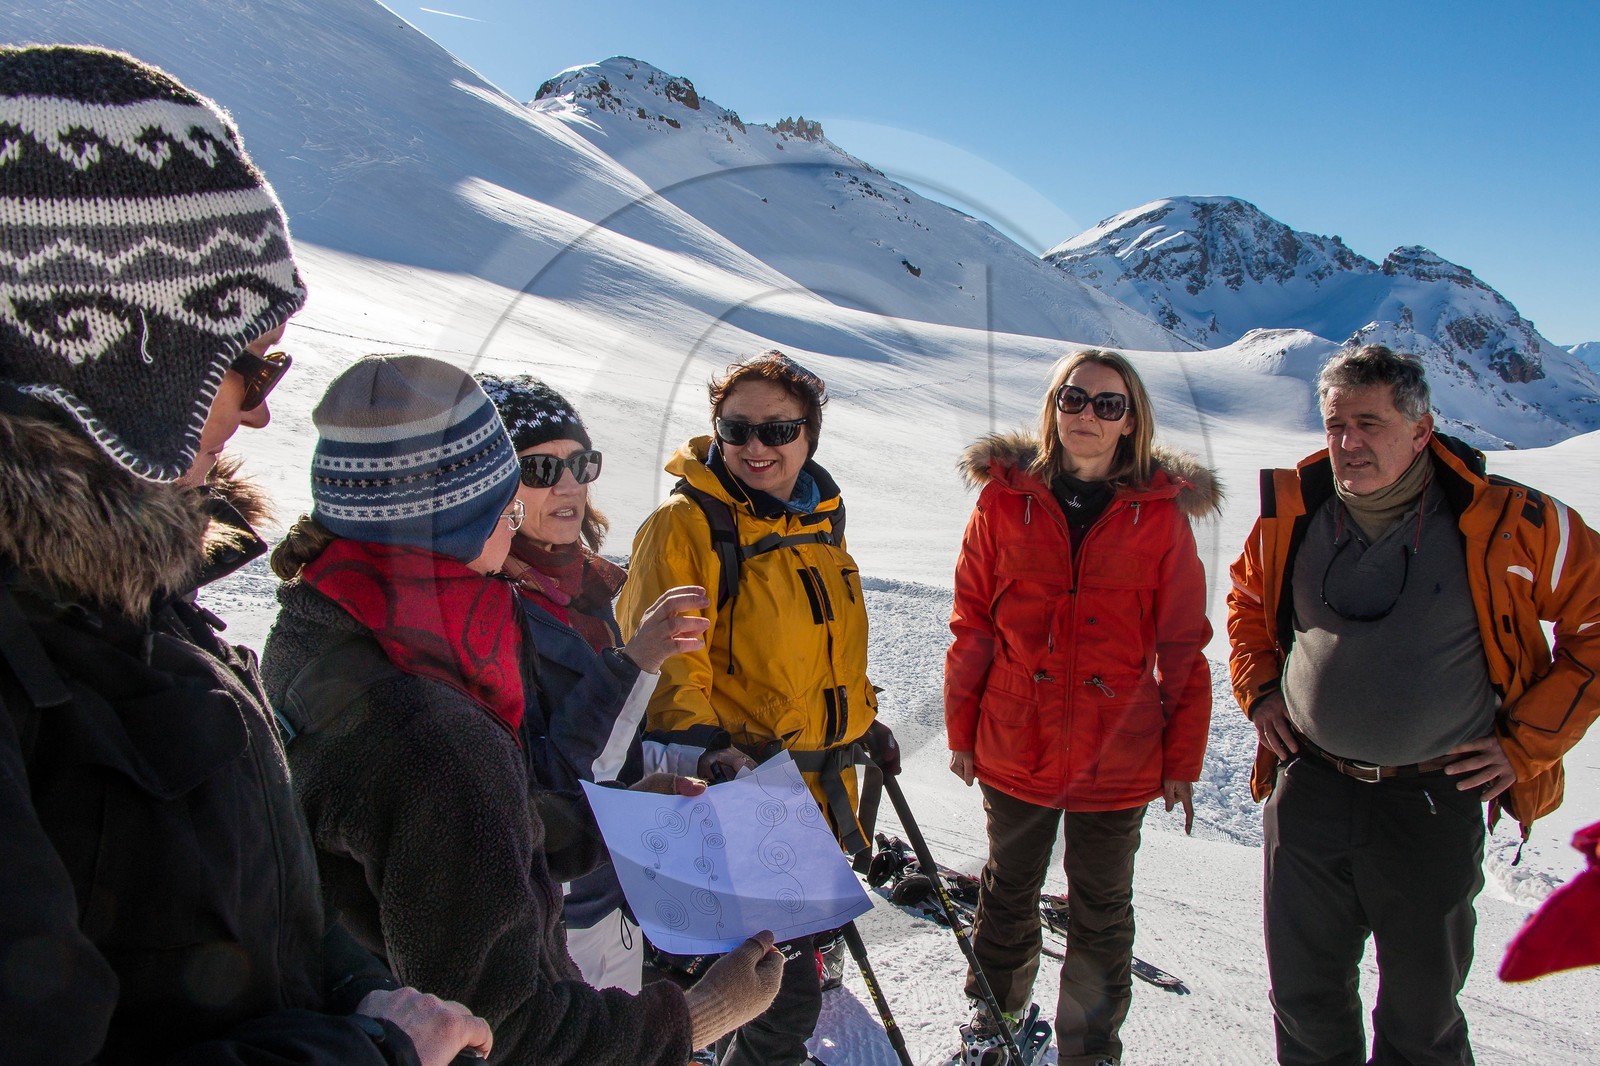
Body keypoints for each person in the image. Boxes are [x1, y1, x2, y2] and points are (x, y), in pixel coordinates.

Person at [0, 45, 489, 1065]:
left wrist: (357, 988)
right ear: (115, 354)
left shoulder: (134, 588)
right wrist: (374, 1052)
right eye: (247, 365)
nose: (263, 412)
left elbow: (246, 900)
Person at [261, 354, 783, 1066]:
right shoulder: (432, 724)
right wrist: (698, 1016)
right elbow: (509, 1027)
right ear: (453, 521)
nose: (518, 528)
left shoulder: (328, 624)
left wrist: (616, 820)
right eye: (507, 505)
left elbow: (472, 830)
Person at [1227, 343, 1600, 1065]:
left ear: (1422, 430)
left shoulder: (1509, 520)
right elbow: (1246, 599)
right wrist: (1262, 689)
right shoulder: (1294, 508)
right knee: (1304, 1002)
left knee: (1421, 1019)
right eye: (1336, 425)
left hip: (1432, 798)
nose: (1348, 444)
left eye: (1369, 424)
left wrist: (1523, 745)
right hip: (1310, 790)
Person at [617, 350, 898, 1066]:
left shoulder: (819, 520)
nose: (755, 446)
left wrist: (861, 721)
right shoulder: (687, 524)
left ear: (809, 435)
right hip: (739, 791)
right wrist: (708, 756)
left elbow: (823, 650)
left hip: (814, 789)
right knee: (772, 997)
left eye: (778, 430)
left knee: (767, 983)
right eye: (736, 429)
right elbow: (670, 669)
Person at [945, 348, 1217, 1066]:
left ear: (1130, 421)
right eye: (1073, 398)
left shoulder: (1161, 516)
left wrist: (1181, 761)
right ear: (1054, 407)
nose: (1086, 414)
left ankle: (1090, 1051)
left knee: (1100, 912)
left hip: (1117, 752)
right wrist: (962, 730)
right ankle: (995, 1026)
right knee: (1008, 893)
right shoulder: (1004, 499)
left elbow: (1183, 647)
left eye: (1107, 403)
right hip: (1016, 737)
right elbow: (972, 624)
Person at [476, 372, 710, 992]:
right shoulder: (488, 610)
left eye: (581, 464)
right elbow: (550, 785)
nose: (570, 485)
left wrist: (697, 759)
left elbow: (617, 751)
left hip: (612, 891)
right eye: (540, 468)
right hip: (549, 918)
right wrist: (633, 665)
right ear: (489, 479)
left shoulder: (591, 588)